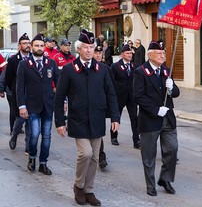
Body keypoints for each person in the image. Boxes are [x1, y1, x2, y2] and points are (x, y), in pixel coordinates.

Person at [54, 29, 120, 206]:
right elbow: (59, 97)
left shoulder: (102, 69)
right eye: (86, 47)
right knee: (86, 153)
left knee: (95, 157)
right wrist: (60, 121)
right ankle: (78, 185)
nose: (90, 50)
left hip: (97, 118)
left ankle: (89, 190)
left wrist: (115, 117)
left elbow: (111, 94)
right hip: (78, 119)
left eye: (92, 47)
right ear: (79, 49)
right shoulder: (69, 70)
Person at [133, 40, 180, 196]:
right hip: (150, 119)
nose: (162, 56)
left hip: (167, 118)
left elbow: (176, 93)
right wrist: (155, 109)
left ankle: (165, 178)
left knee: (172, 149)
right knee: (149, 155)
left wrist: (172, 87)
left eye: (163, 53)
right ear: (150, 54)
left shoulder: (167, 70)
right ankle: (150, 184)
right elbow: (138, 96)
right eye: (159, 53)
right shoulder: (141, 71)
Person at [16, 33, 59, 175]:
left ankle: (43, 163)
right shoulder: (24, 64)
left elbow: (59, 84)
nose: (39, 48)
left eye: (41, 46)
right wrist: (22, 106)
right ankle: (32, 157)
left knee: (47, 135)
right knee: (34, 134)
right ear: (31, 47)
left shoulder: (51, 63)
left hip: (47, 105)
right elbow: (19, 87)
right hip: (32, 105)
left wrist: (63, 100)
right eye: (36, 45)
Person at [111, 44, 141, 149]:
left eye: (130, 53)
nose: (130, 55)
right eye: (127, 53)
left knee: (134, 118)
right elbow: (112, 82)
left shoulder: (135, 66)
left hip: (131, 97)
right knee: (116, 116)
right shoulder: (115, 66)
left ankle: (136, 140)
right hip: (119, 96)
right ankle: (114, 136)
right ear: (122, 54)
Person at [6, 33, 32, 153]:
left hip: (33, 95)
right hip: (19, 94)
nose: (27, 45)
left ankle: (28, 146)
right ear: (19, 45)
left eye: (28, 43)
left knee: (31, 121)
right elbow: (8, 78)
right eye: (24, 43)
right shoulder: (13, 60)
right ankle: (15, 135)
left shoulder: (34, 58)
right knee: (20, 119)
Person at [93, 45, 116, 169]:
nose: (98, 55)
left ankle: (101, 156)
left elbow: (111, 89)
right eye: (95, 52)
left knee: (98, 132)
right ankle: (94, 154)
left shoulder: (106, 68)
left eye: (100, 53)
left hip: (101, 106)